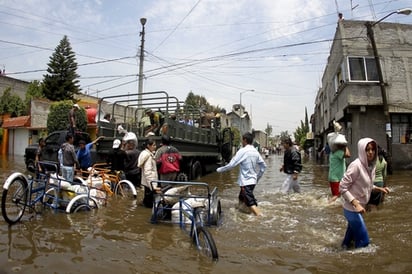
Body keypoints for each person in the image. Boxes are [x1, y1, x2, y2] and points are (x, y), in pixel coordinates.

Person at [339, 138, 390, 249]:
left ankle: (342, 252)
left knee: (348, 241)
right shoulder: (356, 165)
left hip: (360, 208)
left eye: (373, 149)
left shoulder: (371, 165)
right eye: (367, 150)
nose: (371, 152)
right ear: (362, 150)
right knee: (364, 242)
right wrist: (355, 203)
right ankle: (359, 264)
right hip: (352, 210)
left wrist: (380, 189)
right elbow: (342, 187)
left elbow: (367, 185)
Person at [216, 132, 266, 216]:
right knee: (241, 198)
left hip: (246, 182)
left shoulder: (242, 151)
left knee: (251, 203)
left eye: (242, 140)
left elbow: (232, 164)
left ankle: (261, 217)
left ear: (245, 140)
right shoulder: (255, 151)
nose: (241, 142)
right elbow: (263, 166)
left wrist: (219, 170)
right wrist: (257, 177)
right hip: (252, 181)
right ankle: (241, 213)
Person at [138, 139, 159, 208]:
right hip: (150, 182)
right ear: (148, 146)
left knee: (147, 199)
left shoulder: (146, 154)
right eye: (153, 145)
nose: (155, 147)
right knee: (149, 204)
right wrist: (153, 186)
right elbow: (148, 172)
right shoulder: (148, 156)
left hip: (147, 182)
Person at [367, 146, 388, 211]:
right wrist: (384, 187)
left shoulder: (371, 161)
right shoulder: (384, 162)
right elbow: (384, 176)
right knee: (375, 204)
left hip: (371, 183)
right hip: (380, 183)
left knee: (368, 203)